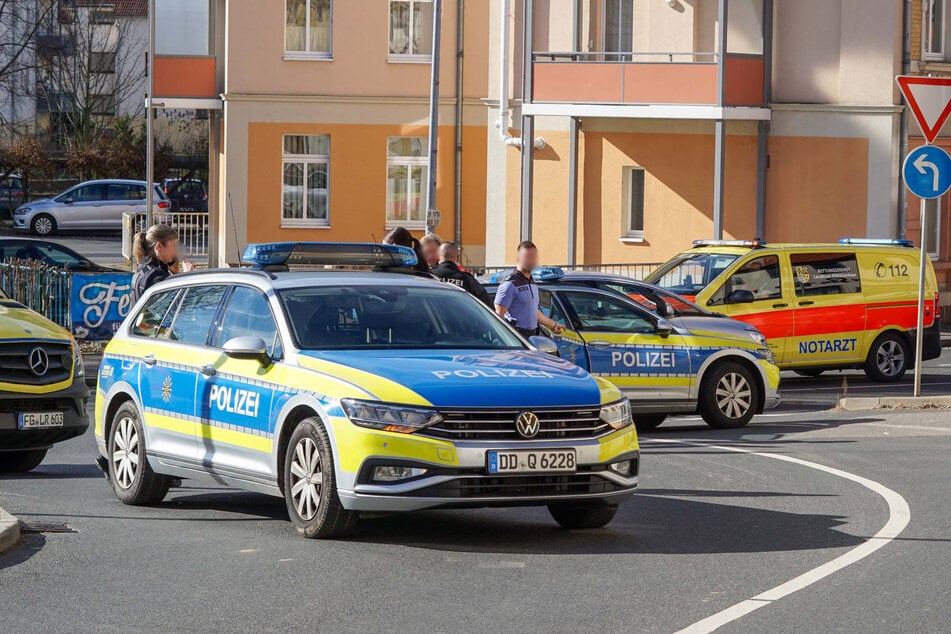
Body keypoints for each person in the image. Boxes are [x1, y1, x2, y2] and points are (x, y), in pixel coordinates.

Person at [494, 241, 565, 338]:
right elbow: (498, 317)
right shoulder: (510, 284)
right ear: (518, 259)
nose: (531, 260)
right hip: (516, 338)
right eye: (527, 257)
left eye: (533, 257)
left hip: (532, 337)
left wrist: (554, 325)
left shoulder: (532, 283)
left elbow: (533, 311)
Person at [132, 224, 192, 301]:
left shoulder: (143, 268)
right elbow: (172, 306)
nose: (176, 250)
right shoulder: (155, 276)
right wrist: (187, 278)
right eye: (174, 245)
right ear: (159, 246)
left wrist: (176, 275)